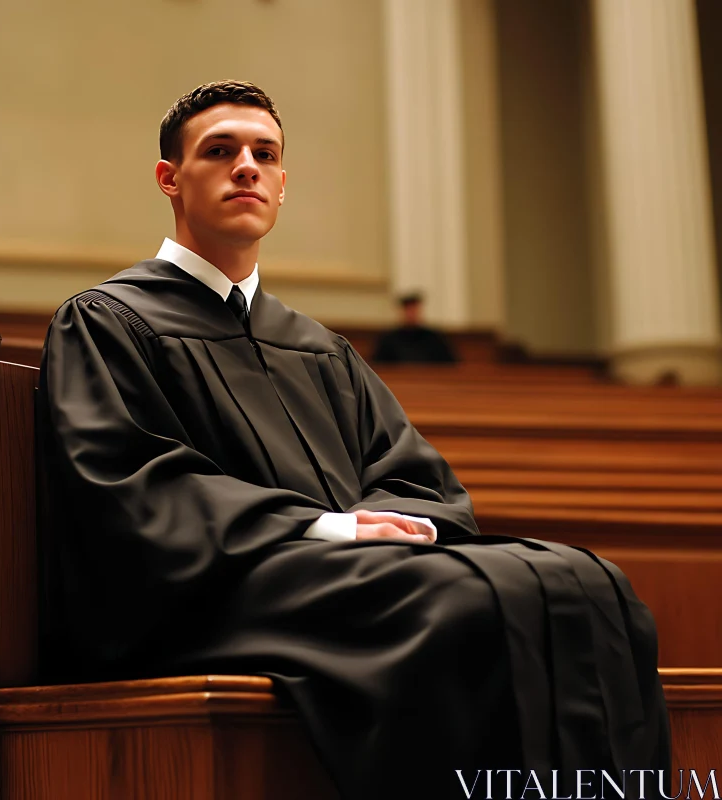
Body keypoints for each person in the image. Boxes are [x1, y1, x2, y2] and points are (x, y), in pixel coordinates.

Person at [39, 81, 669, 799]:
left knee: (588, 583)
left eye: (264, 153)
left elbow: (414, 476)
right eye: (220, 150)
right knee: (460, 604)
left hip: (339, 580)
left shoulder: (317, 346)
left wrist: (393, 526)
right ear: (170, 179)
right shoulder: (107, 320)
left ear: (282, 184)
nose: (246, 165)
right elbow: (129, 484)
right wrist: (329, 527)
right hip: (213, 594)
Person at [373, 292, 458, 363]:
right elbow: (378, 366)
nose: (411, 314)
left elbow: (450, 365)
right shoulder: (388, 339)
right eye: (408, 310)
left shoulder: (435, 338)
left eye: (414, 310)